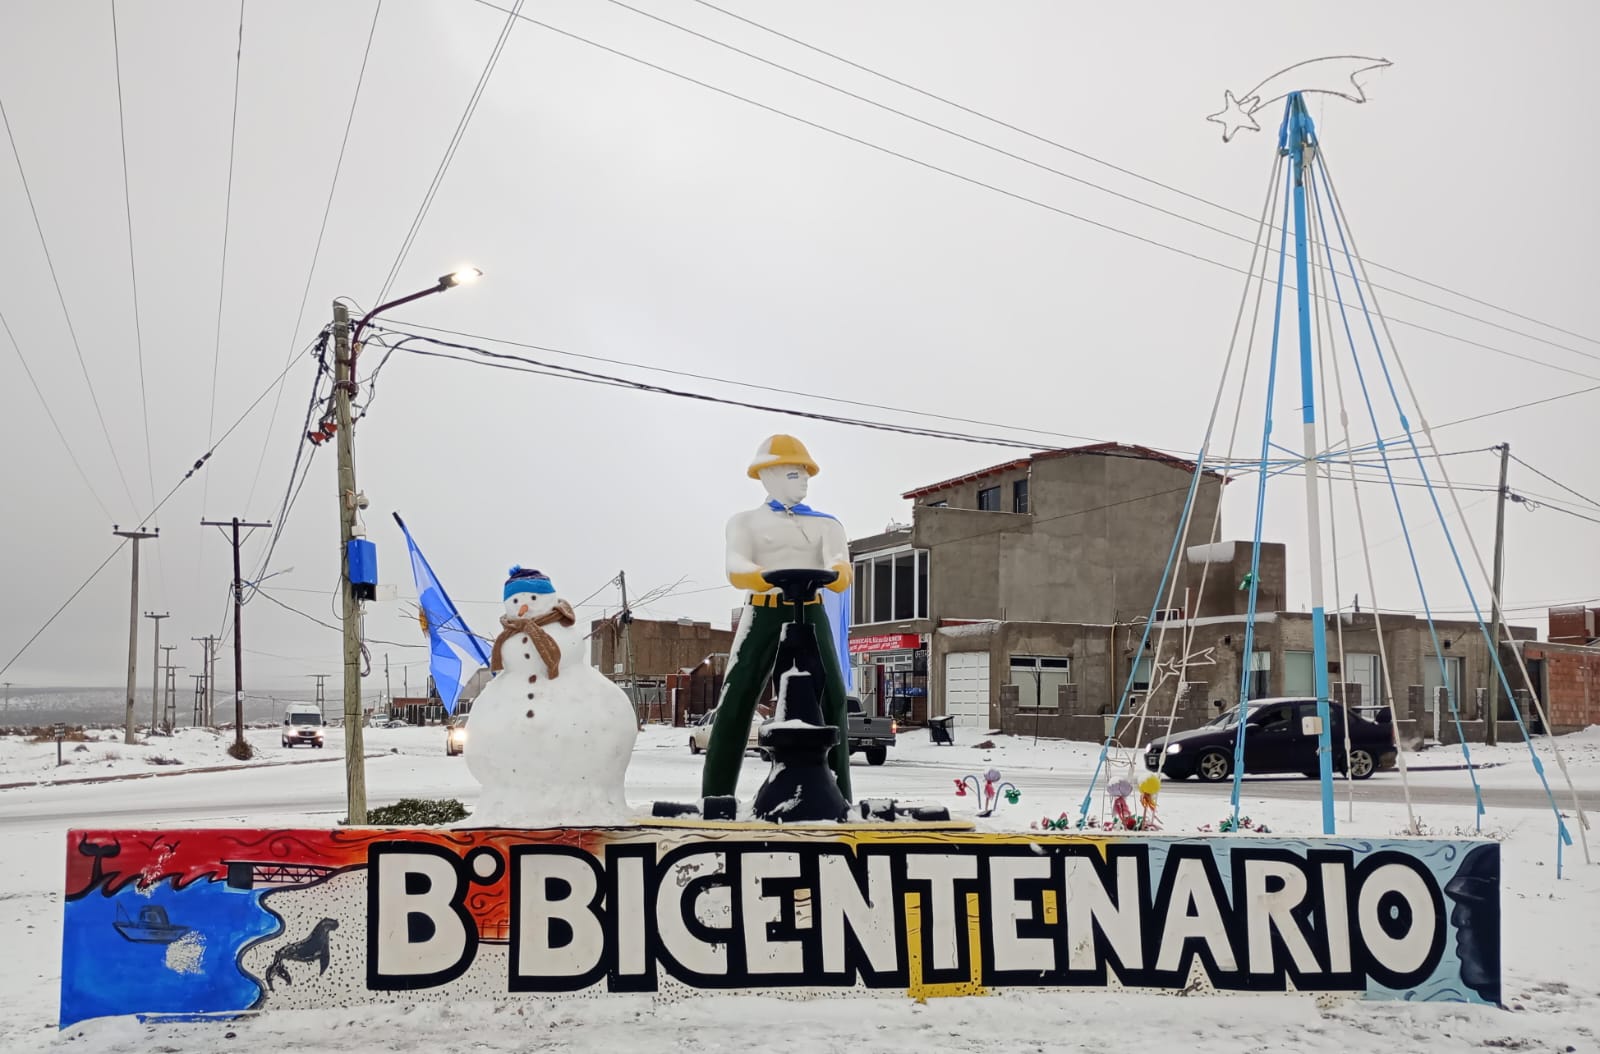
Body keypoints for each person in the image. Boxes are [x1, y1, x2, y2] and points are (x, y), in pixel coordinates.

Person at [701, 435, 854, 800]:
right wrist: (761, 577)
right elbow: (736, 565)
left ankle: (839, 795)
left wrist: (837, 574)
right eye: (793, 474)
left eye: (805, 474)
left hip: (810, 609)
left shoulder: (826, 525)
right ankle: (716, 796)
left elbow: (840, 564)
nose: (804, 482)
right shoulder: (745, 523)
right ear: (768, 475)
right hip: (762, 611)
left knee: (833, 697)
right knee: (736, 698)